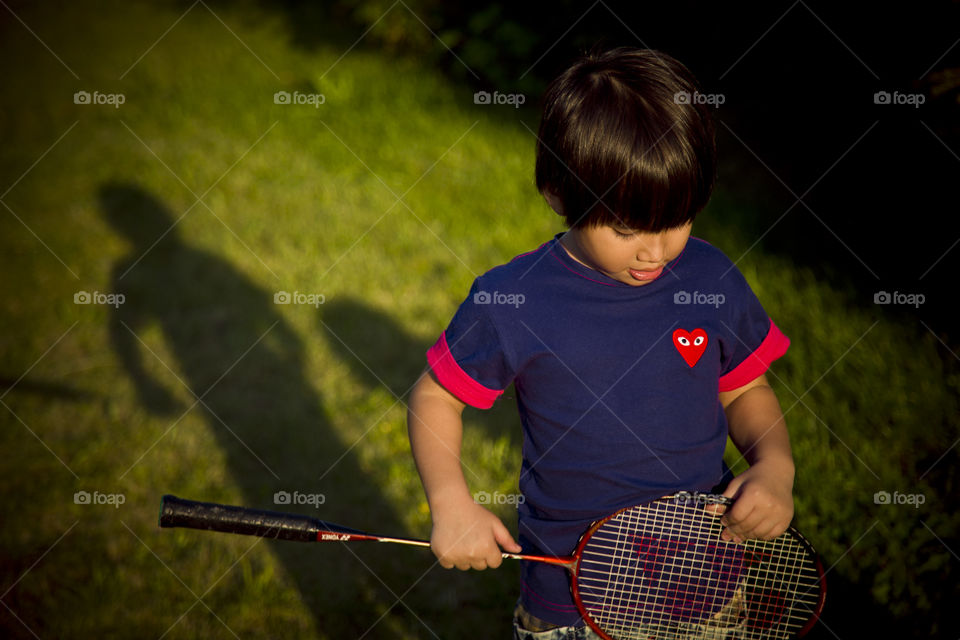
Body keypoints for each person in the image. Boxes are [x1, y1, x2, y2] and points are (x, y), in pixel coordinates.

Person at [407, 47, 795, 639]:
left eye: (677, 220)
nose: (655, 251)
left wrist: (775, 467)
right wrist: (451, 501)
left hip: (706, 580)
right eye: (624, 228)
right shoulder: (514, 300)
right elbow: (437, 398)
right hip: (570, 594)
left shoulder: (710, 277)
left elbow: (746, 386)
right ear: (559, 194)